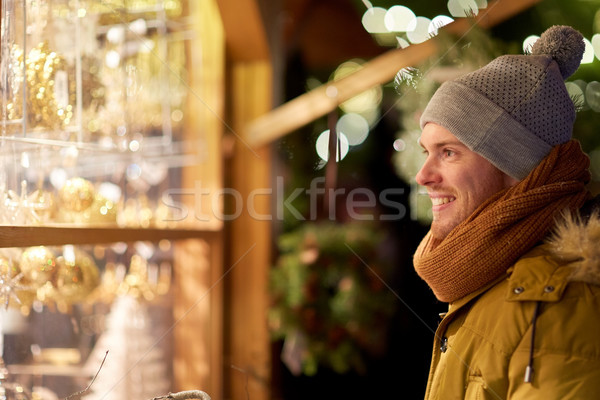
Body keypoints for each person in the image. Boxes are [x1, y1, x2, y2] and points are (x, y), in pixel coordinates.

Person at [412, 25, 600, 399]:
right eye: (426, 152)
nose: (423, 176)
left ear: (515, 166)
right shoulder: (484, 277)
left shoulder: (562, 304)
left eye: (448, 152)